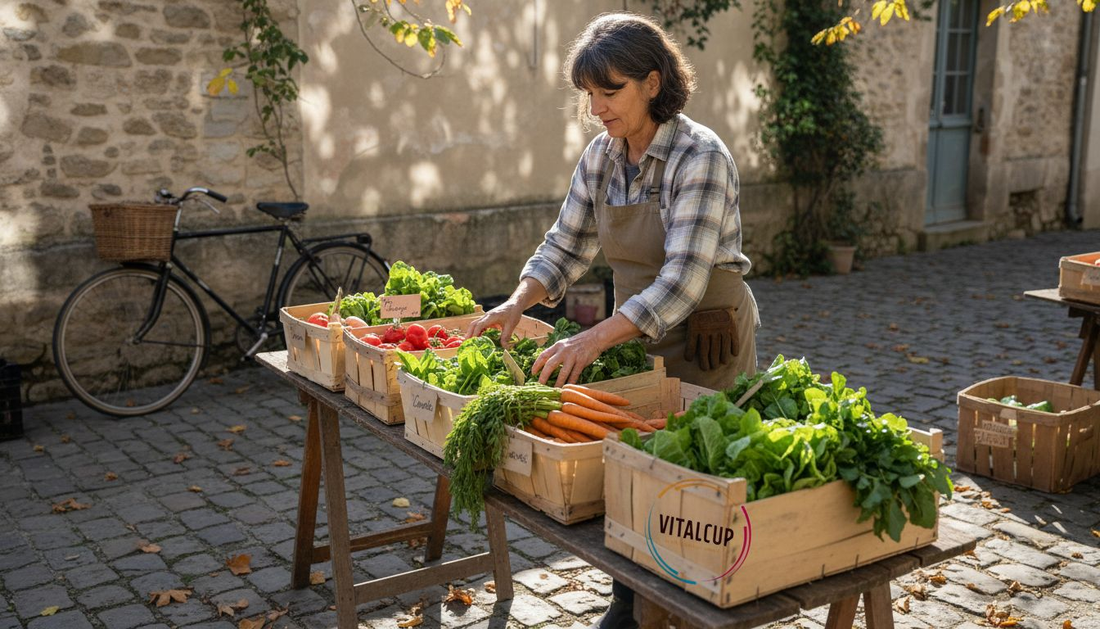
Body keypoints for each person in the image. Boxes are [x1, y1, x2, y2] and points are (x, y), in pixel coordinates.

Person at [468, 12, 759, 628]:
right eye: (589, 94)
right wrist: (516, 303)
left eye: (611, 91)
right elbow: (564, 245)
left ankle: (687, 604)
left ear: (653, 83)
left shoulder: (698, 155)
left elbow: (682, 279)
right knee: (633, 464)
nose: (597, 108)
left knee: (694, 477)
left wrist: (596, 337)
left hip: (706, 329)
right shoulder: (602, 155)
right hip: (636, 330)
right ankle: (634, 597)